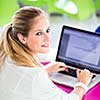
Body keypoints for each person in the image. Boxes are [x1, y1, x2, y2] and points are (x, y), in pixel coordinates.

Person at [0, 6, 92, 100]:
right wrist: (82, 83)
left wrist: (45, 70)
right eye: (39, 33)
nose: (48, 38)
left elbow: (22, 79)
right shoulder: (35, 76)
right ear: (22, 38)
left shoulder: (6, 53)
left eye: (48, 30)